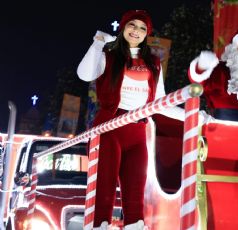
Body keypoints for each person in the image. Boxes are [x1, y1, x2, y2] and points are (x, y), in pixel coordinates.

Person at [77, 10, 186, 229]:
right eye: (132, 26)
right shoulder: (109, 56)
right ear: (123, 27)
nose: (136, 31)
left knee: (136, 194)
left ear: (147, 34)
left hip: (137, 132)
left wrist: (193, 116)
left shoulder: (153, 63)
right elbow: (84, 74)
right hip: (109, 128)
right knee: (103, 192)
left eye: (142, 28)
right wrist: (98, 43)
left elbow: (160, 102)